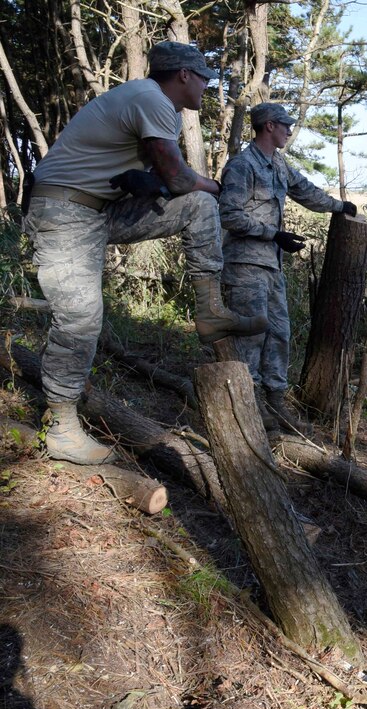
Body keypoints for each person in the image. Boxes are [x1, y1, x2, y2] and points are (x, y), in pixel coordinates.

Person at [24, 41, 267, 465]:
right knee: (81, 315)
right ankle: (61, 427)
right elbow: (177, 178)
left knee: (198, 206)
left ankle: (210, 311)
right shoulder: (152, 99)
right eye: (204, 78)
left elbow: (166, 181)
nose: (208, 86)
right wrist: (216, 185)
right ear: (184, 76)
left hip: (100, 211)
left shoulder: (160, 107)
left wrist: (168, 183)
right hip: (62, 210)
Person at [219, 102, 357, 433]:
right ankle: (247, 411)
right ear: (269, 126)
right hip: (244, 267)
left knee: (279, 334)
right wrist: (273, 234)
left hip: (270, 267)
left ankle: (275, 405)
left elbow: (305, 190)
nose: (289, 131)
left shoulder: (278, 164)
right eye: (285, 126)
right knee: (250, 339)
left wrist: (340, 206)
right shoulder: (242, 166)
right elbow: (229, 214)